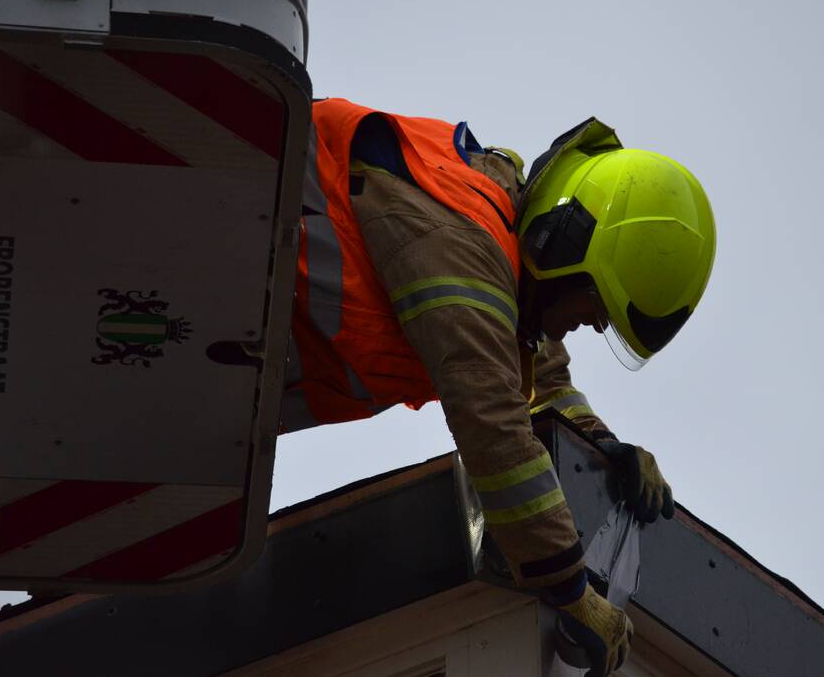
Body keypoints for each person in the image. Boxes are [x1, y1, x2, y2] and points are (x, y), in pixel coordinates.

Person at [281, 98, 716, 676]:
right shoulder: (464, 236)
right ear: (563, 249)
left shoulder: (503, 262)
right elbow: (492, 420)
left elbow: (542, 382)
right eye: (592, 306)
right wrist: (571, 589)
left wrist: (604, 447)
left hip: (234, 348)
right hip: (220, 250)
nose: (588, 326)